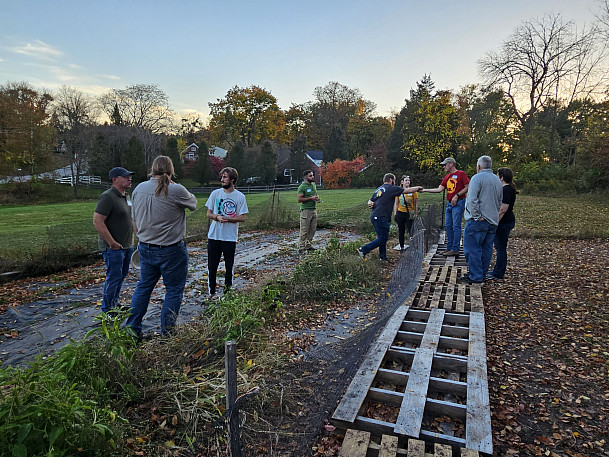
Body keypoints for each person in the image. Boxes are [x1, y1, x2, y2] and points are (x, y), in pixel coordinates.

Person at [125, 156, 197, 338]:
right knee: (173, 290)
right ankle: (168, 333)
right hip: (171, 249)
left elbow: (135, 219)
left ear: (153, 169)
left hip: (146, 247)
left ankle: (132, 330)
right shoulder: (175, 190)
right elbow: (193, 204)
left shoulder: (139, 189)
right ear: (171, 170)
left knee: (144, 287)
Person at [93, 167, 135, 314]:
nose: (129, 179)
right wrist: (111, 243)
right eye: (125, 176)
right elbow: (98, 221)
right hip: (113, 248)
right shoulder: (108, 197)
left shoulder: (125, 196)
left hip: (126, 246)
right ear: (114, 179)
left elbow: (129, 220)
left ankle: (114, 304)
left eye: (130, 176)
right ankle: (107, 310)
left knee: (121, 277)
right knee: (113, 277)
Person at [357, 173, 422, 261]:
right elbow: (407, 190)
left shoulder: (380, 188)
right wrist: (418, 188)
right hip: (381, 216)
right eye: (394, 180)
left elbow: (370, 200)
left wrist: (369, 203)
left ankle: (382, 257)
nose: (395, 182)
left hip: (375, 216)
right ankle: (363, 250)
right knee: (383, 238)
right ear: (391, 180)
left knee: (381, 237)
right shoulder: (391, 188)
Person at [205, 167, 248, 299]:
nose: (222, 179)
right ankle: (212, 293)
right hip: (214, 236)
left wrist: (228, 219)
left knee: (229, 267)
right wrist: (216, 217)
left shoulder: (239, 197)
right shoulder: (215, 194)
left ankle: (228, 293)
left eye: (225, 177)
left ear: (232, 179)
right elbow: (208, 213)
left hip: (229, 238)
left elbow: (243, 217)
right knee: (212, 266)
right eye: (222, 177)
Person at [460, 155, 502, 284]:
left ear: (479, 166)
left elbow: (472, 199)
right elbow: (499, 201)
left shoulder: (477, 178)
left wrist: (477, 216)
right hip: (493, 220)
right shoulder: (497, 180)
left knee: (472, 248)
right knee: (486, 249)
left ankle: (475, 276)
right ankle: (482, 273)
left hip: (479, 220)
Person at [421, 157, 469, 256]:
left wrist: (457, 195)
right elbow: (439, 189)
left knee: (456, 226)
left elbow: (467, 187)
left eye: (445, 165)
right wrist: (425, 190)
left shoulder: (461, 174)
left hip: (458, 202)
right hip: (449, 204)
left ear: (451, 164)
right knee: (448, 225)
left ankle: (455, 249)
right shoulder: (447, 177)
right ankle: (449, 247)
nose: (444, 167)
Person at [488, 167, 518, 280]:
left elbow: (503, 209)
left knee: (500, 248)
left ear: (501, 178)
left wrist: (495, 222)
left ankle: (498, 273)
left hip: (504, 223)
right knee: (500, 247)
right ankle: (497, 270)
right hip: (505, 221)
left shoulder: (506, 190)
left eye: (497, 176)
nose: (496, 178)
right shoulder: (508, 188)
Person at [297, 170, 321, 254]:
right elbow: (299, 199)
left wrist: (317, 199)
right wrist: (310, 198)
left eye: (312, 175)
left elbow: (315, 195)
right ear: (306, 177)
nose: (313, 177)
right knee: (304, 230)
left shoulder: (313, 185)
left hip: (313, 209)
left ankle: (308, 245)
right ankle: (301, 248)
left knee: (312, 229)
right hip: (306, 211)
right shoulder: (302, 187)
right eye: (310, 176)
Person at [393, 175, 418, 250]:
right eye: (406, 180)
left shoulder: (413, 191)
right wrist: (395, 213)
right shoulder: (399, 191)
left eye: (409, 180)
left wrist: (416, 213)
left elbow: (416, 203)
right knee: (401, 230)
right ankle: (402, 247)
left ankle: (414, 246)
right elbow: (396, 203)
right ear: (402, 182)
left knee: (411, 230)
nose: (408, 182)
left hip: (409, 213)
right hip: (401, 212)